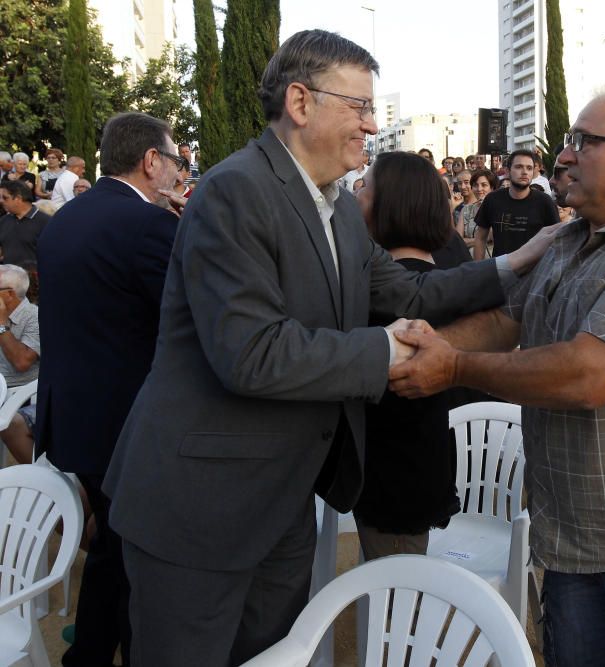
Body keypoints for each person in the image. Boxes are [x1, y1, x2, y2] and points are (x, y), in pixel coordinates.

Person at [100, 30, 554, 666]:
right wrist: (387, 353)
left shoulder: (338, 208)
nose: (372, 125)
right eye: (360, 107)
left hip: (282, 503)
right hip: (200, 508)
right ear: (301, 101)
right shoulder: (236, 192)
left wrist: (513, 266)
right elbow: (251, 353)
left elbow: (409, 292)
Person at [388, 82, 605, 667]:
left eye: (584, 141)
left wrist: (450, 366)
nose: (564, 154)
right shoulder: (570, 239)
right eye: (567, 140)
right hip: (574, 533)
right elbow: (510, 318)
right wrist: (421, 349)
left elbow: (587, 374)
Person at [36, 112, 183, 667]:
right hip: (126, 427)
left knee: (113, 549)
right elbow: (185, 319)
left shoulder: (64, 220)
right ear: (151, 161)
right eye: (174, 161)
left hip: (75, 418)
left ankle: (89, 654)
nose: (176, 172)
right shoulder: (148, 225)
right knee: (139, 565)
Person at [350, 151, 461, 560]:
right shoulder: (450, 271)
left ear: (389, 205)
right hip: (416, 466)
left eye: (364, 187)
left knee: (396, 610)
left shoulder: (385, 295)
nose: (355, 195)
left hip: (394, 474)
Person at [473, 149, 559, 260]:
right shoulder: (492, 199)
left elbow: (556, 240)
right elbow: (480, 237)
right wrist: (479, 270)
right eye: (519, 167)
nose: (524, 172)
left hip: (535, 272)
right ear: (507, 171)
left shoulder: (545, 202)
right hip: (501, 271)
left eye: (529, 168)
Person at [0, 264, 41, 465]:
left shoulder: (35, 317)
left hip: (20, 395)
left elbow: (21, 362)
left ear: (8, 294)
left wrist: (1, 325)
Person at [0, 179, 51, 268]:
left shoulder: (46, 222)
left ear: (18, 198)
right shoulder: (3, 221)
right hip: (8, 278)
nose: (1, 201)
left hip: (36, 279)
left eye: (5, 198)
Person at [460, 168, 497, 247]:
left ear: (492, 187)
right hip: (469, 257)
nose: (479, 189)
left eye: (484, 185)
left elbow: (495, 237)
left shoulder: (499, 209)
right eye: (475, 185)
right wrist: (482, 239)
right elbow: (457, 241)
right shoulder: (466, 210)